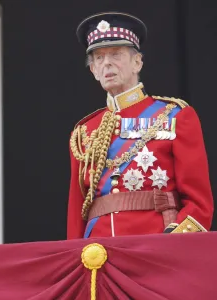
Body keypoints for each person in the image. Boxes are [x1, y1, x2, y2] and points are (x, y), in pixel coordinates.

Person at [67, 12, 214, 239]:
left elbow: (199, 204)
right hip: (98, 251)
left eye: (115, 54)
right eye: (98, 58)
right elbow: (78, 212)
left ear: (137, 62)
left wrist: (173, 243)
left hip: (156, 248)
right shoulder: (84, 132)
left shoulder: (175, 116)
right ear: (93, 71)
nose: (107, 63)